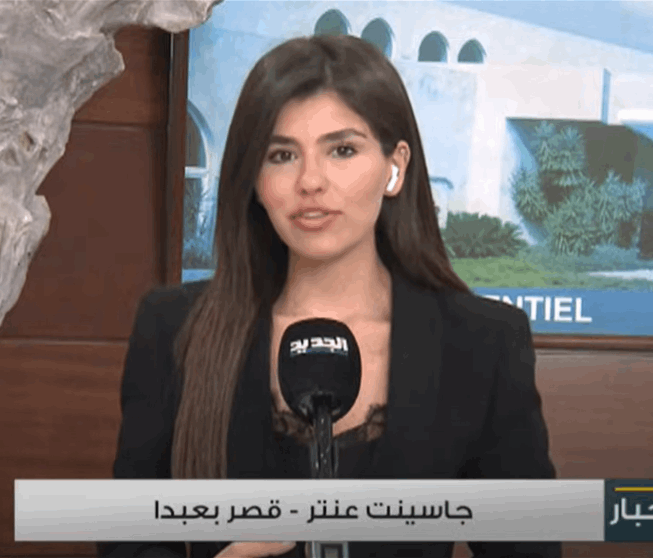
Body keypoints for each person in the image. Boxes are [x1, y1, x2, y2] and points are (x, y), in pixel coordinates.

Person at [97, 34, 559, 558]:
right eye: (281, 155)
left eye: (342, 150)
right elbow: (128, 544)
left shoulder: (482, 343)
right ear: (254, 180)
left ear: (395, 166)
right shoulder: (173, 327)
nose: (310, 181)